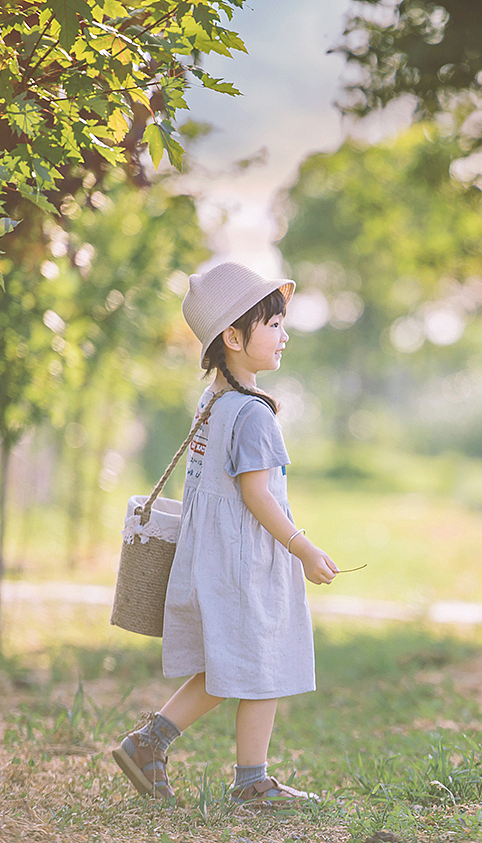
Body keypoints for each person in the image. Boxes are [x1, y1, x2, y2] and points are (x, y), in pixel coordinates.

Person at [111, 262, 338, 808]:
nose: (284, 334)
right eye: (273, 324)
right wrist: (303, 547)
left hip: (213, 556)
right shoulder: (254, 414)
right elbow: (257, 495)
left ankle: (150, 742)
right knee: (263, 666)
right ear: (233, 338)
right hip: (246, 562)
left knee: (228, 663)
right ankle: (252, 782)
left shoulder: (212, 403)